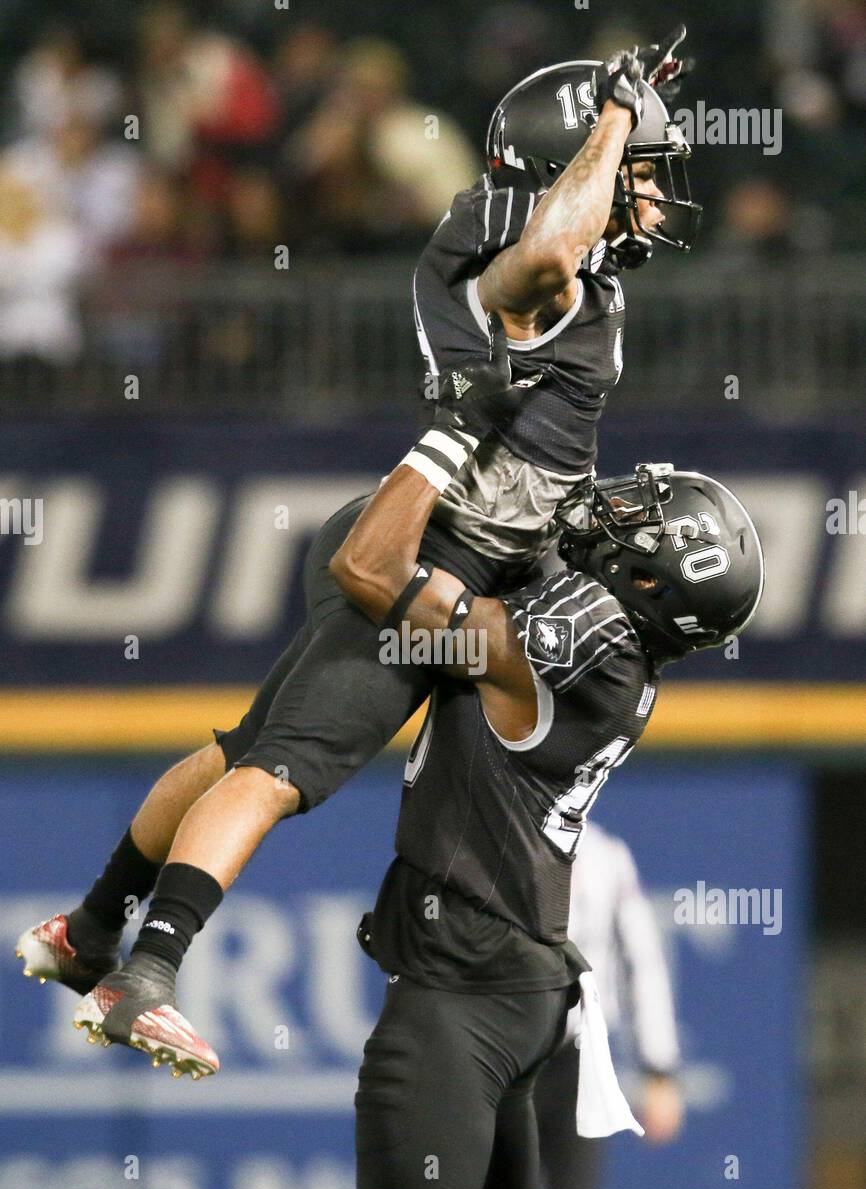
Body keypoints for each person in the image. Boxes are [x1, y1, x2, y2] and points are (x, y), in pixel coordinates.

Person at [15, 35, 701, 1078]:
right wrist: (610, 122)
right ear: (573, 163)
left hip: (467, 542)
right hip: (434, 548)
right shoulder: (518, 251)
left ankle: (92, 926)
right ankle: (144, 973)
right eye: (634, 171)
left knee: (241, 751)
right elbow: (548, 256)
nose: (646, 192)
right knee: (282, 772)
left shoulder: (566, 266)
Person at [320, 337, 762, 1189]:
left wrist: (450, 434)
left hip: (464, 983)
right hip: (517, 984)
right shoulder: (613, 651)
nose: (618, 511)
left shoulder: (574, 643)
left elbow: (367, 565)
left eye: (644, 526)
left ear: (649, 586)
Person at [533, 820, 682, 1189]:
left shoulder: (605, 855)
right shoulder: (494, 840)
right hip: (504, 1059)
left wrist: (658, 1069)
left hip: (579, 1061)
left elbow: (643, 962)